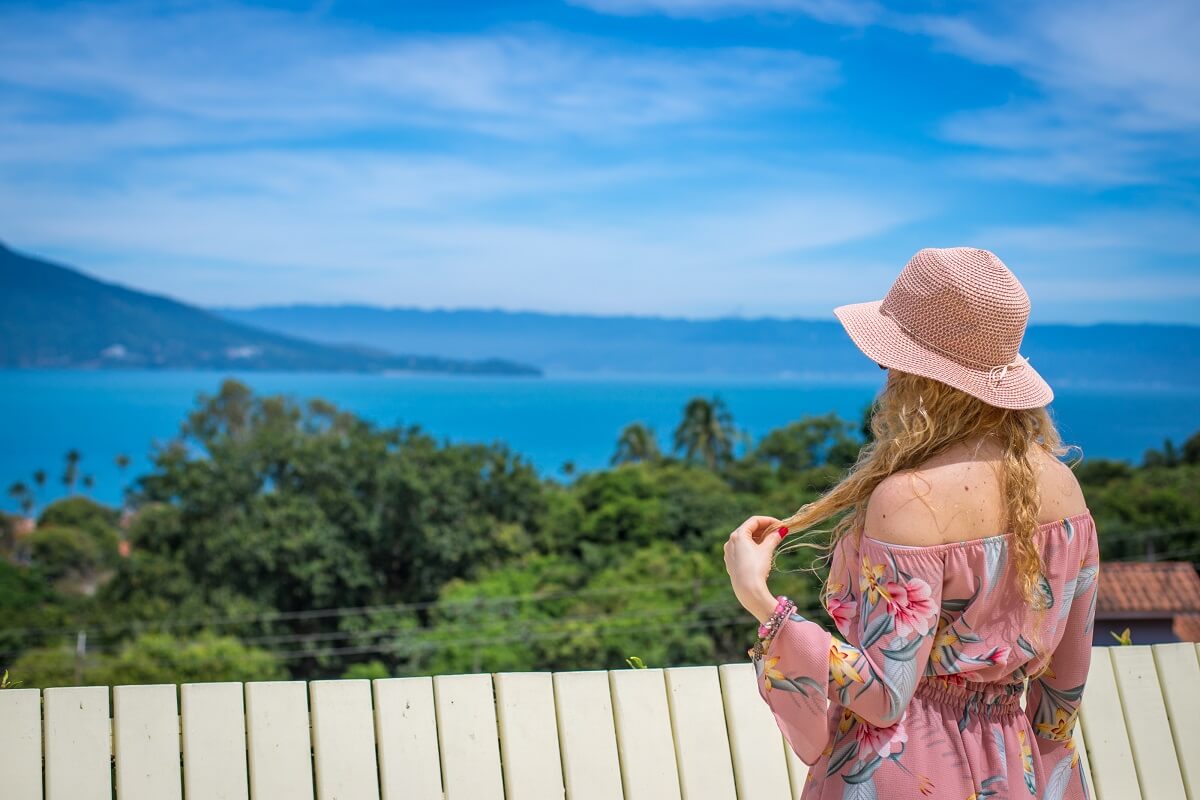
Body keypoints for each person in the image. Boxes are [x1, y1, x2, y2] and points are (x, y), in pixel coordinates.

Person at [723, 247, 1097, 800]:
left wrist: (762, 602)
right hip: (1014, 767)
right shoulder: (1063, 488)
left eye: (889, 359)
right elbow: (1062, 697)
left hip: (904, 771)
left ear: (918, 374)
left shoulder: (908, 500)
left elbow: (883, 695)